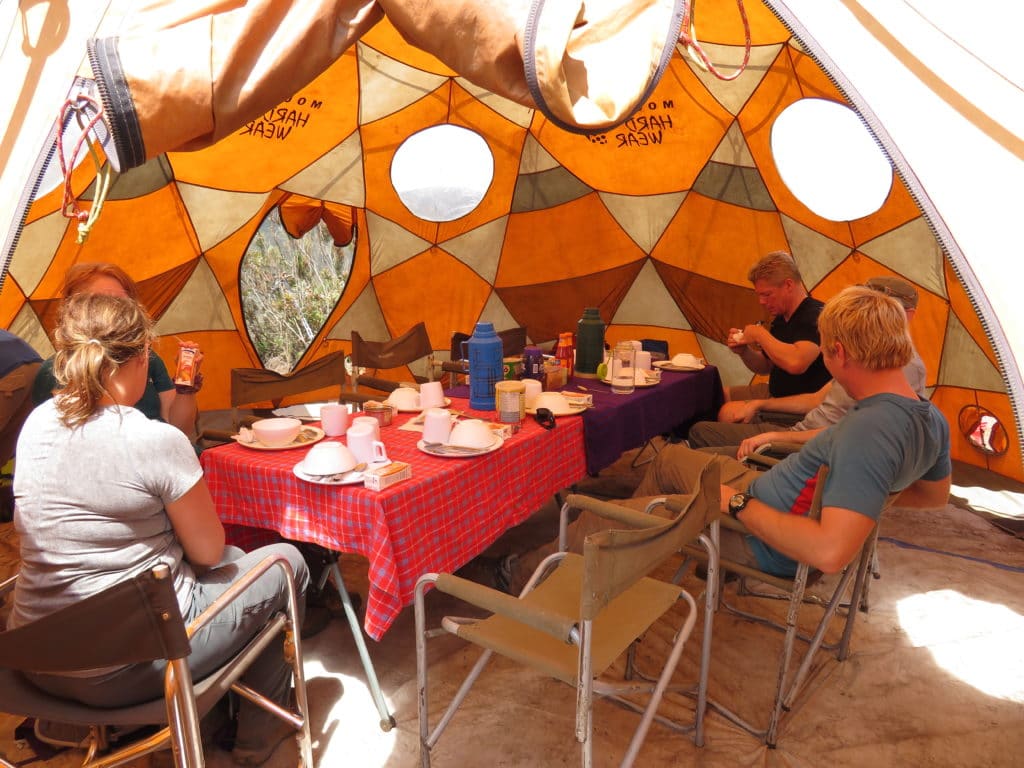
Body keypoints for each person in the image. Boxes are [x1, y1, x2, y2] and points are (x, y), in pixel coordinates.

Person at [10, 292, 308, 766]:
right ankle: (257, 735)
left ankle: (202, 721)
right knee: (284, 561)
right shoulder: (154, 439)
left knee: (232, 565)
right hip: (125, 666)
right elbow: (208, 551)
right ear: (143, 358)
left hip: (34, 657)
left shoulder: (38, 424)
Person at [498, 285, 951, 590]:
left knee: (603, 520)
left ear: (839, 352)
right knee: (670, 459)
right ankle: (639, 561)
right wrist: (861, 501)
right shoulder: (929, 417)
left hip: (760, 537)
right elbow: (933, 496)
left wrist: (736, 504)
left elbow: (829, 552)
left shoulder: (866, 432)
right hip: (765, 490)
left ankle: (531, 582)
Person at [690, 276, 927, 456]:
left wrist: (776, 436)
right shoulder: (865, 354)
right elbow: (817, 400)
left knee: (693, 451)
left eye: (884, 308)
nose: (872, 314)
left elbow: (851, 434)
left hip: (810, 448)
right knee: (709, 427)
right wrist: (761, 404)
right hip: (805, 432)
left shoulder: (896, 367)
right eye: (867, 305)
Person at [31, 263, 202, 438]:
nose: (116, 310)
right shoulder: (54, 371)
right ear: (74, 311)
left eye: (122, 301)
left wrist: (185, 385)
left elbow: (180, 431)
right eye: (101, 301)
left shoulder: (147, 357)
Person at [719, 251, 831, 425]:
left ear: (788, 285)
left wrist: (759, 333)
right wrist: (744, 352)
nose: (761, 302)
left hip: (798, 404)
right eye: (759, 295)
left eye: (766, 294)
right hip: (775, 391)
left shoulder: (815, 315)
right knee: (716, 395)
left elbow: (797, 363)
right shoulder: (780, 318)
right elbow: (765, 366)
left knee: (727, 413)